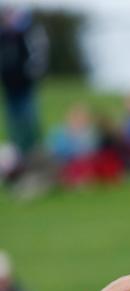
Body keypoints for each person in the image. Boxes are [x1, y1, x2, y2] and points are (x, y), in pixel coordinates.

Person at [0, 7, 48, 179]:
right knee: (14, 127)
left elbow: (38, 56)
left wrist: (32, 73)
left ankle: (34, 161)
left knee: (29, 124)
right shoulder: (4, 36)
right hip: (9, 87)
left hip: (25, 86)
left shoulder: (27, 33)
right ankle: (17, 163)